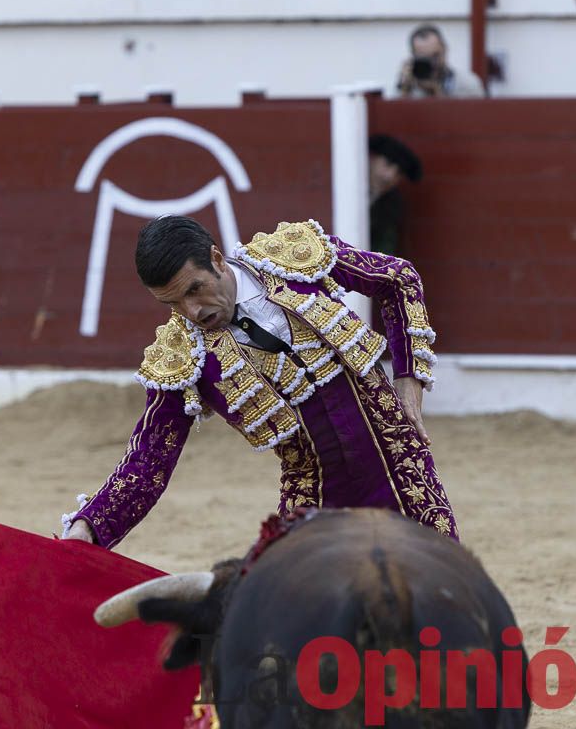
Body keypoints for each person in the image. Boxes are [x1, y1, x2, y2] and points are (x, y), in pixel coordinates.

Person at [61, 216, 455, 547]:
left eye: (195, 289)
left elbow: (398, 280)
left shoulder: (293, 257)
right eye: (173, 303)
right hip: (315, 499)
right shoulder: (182, 358)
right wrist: (88, 528)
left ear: (216, 259)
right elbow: (148, 463)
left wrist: (409, 377)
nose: (192, 311)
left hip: (401, 469)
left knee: (445, 600)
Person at [367, 134, 422, 257]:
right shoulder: (345, 186)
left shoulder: (392, 203)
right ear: (372, 159)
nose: (390, 176)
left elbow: (384, 247)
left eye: (398, 173)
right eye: (387, 164)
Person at [395, 24, 486, 99]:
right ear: (413, 57)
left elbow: (474, 117)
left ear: (445, 50)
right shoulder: (408, 83)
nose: (431, 63)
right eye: (424, 58)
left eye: (435, 56)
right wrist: (404, 90)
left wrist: (436, 92)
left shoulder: (467, 84)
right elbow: (396, 117)